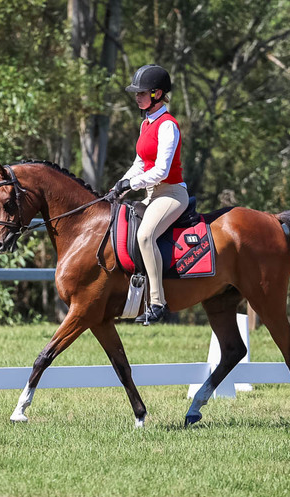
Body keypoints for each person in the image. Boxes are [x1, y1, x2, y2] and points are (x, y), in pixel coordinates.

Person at [107, 64, 189, 324]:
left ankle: (157, 302)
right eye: (137, 93)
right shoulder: (146, 124)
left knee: (145, 235)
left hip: (171, 193)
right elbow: (140, 163)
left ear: (157, 94)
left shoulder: (168, 126)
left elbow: (162, 171)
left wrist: (131, 185)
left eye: (142, 93)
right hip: (152, 193)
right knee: (124, 227)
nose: (137, 97)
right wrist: (119, 185)